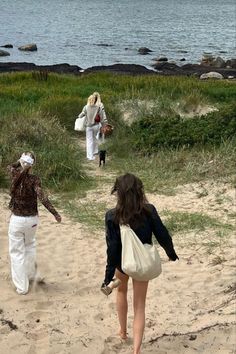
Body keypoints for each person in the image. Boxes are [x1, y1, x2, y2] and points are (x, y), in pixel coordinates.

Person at [101, 173, 179, 354]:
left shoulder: (112, 216)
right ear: (139, 191)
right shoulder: (149, 210)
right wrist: (171, 252)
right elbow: (162, 234)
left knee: (121, 291)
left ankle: (122, 331)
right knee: (140, 306)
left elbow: (112, 249)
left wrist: (107, 277)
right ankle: (136, 350)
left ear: (117, 192)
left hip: (122, 265)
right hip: (142, 264)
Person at [7, 152, 62, 295]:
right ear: (32, 165)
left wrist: (20, 162)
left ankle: (22, 287)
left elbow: (11, 166)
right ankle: (30, 275)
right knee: (30, 246)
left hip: (17, 220)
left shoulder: (14, 174)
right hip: (32, 220)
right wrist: (55, 213)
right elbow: (42, 198)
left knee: (17, 253)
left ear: (21, 161)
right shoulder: (35, 180)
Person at [78, 92, 108, 161]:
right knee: (95, 139)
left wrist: (83, 116)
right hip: (96, 126)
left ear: (88, 100)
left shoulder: (86, 107)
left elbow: (80, 115)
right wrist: (104, 126)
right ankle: (95, 151)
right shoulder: (98, 107)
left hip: (89, 127)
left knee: (89, 141)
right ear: (94, 100)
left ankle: (90, 156)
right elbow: (102, 118)